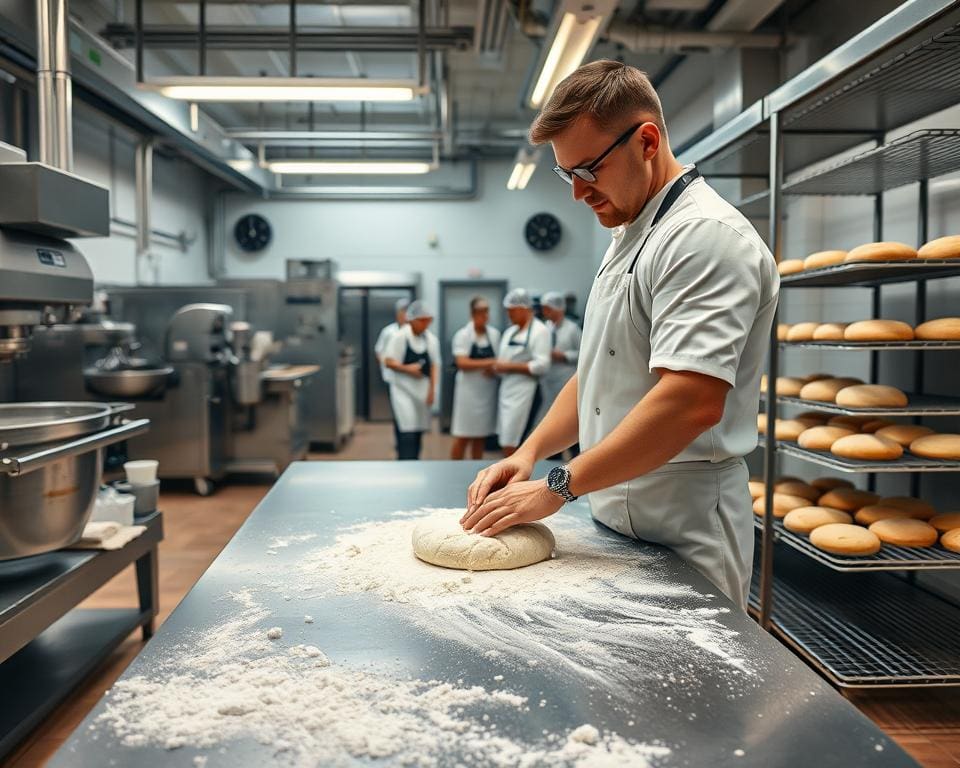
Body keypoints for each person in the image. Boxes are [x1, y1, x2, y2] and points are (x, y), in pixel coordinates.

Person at [461, 61, 779, 611]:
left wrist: (558, 485)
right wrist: (530, 452)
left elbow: (690, 402)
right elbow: (599, 372)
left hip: (684, 527)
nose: (578, 194)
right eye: (567, 174)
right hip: (611, 514)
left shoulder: (703, 237)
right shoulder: (633, 234)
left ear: (647, 142)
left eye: (588, 170)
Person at [493, 288, 551, 457]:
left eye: (512, 310)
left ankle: (516, 470)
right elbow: (502, 360)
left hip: (527, 391)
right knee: (506, 437)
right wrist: (499, 367)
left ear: (525, 308)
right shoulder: (510, 332)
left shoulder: (540, 331)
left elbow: (542, 365)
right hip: (507, 389)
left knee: (518, 440)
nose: (509, 314)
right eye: (507, 311)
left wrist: (510, 366)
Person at [383, 300, 440, 460]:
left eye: (428, 321)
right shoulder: (400, 337)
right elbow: (388, 361)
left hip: (422, 392)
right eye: (422, 321)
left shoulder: (431, 340)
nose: (425, 325)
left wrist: (432, 391)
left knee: (417, 431)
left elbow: (435, 365)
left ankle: (415, 462)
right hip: (403, 391)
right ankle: (405, 464)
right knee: (406, 431)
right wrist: (408, 369)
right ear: (412, 319)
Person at [450, 297, 501, 460]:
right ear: (472, 313)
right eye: (481, 311)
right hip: (468, 392)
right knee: (463, 434)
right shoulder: (463, 335)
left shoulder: (494, 335)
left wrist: (493, 368)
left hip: (486, 392)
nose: (485, 315)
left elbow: (500, 361)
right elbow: (462, 362)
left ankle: (475, 467)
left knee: (480, 434)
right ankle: (454, 467)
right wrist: (490, 362)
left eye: (487, 311)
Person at [534, 291, 582, 428]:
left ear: (558, 309)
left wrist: (564, 355)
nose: (544, 312)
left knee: (566, 416)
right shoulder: (545, 328)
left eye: (547, 308)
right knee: (548, 415)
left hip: (565, 379)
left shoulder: (572, 329)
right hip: (548, 380)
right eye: (543, 308)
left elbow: (584, 353)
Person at [374, 298, 410, 450]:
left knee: (408, 411)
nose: (405, 316)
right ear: (397, 314)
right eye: (402, 312)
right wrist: (387, 365)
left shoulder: (413, 331)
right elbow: (379, 351)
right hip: (393, 377)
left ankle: (408, 440)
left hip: (410, 377)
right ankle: (400, 441)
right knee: (398, 411)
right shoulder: (388, 332)